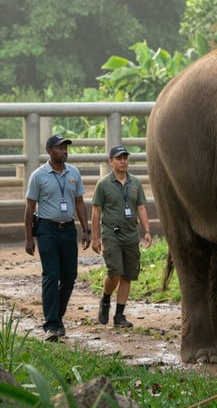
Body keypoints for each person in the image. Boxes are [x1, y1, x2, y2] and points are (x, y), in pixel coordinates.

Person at [24, 134, 91, 341]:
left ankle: (58, 316)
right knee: (51, 275)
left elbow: (79, 202)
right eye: (60, 148)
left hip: (68, 230)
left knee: (70, 277)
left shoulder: (74, 173)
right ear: (49, 151)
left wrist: (86, 229)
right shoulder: (38, 175)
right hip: (47, 230)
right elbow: (29, 207)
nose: (64, 151)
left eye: (66, 148)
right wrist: (28, 237)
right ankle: (51, 325)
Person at [91, 145, 152, 328]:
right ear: (111, 162)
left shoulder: (135, 183)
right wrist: (95, 237)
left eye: (125, 157)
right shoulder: (103, 184)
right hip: (112, 234)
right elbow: (96, 211)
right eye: (119, 158)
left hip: (131, 235)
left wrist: (147, 231)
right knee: (115, 272)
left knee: (127, 275)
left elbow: (141, 207)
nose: (123, 161)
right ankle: (106, 299)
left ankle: (119, 315)